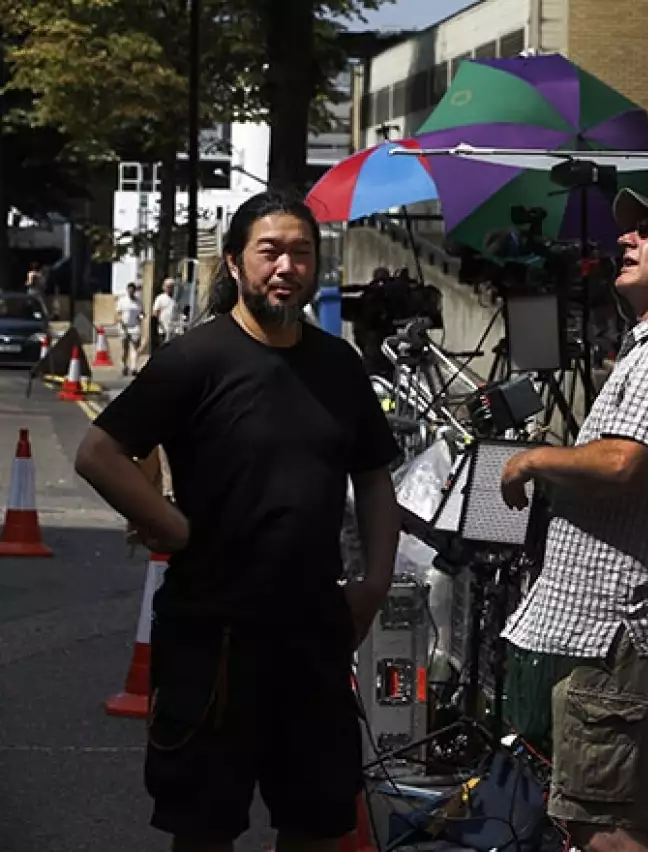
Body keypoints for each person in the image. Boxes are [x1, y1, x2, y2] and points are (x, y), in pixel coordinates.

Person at [74, 190, 402, 852]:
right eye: (270, 251)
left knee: (316, 821)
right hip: (212, 636)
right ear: (235, 261)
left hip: (313, 633)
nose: (287, 266)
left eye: (301, 253)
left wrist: (374, 582)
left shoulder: (339, 365)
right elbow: (98, 451)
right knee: (203, 826)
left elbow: (373, 477)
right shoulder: (196, 360)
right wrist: (170, 526)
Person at [499, 189, 648, 852]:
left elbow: (622, 464)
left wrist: (533, 460)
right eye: (629, 231)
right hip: (633, 630)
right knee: (630, 816)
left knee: (606, 825)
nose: (627, 240)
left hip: (628, 630)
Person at [115, 281, 144, 375]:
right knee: (125, 348)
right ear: (127, 290)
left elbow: (142, 313)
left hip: (135, 327)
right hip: (124, 327)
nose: (131, 292)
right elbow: (118, 314)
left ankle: (134, 367)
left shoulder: (138, 302)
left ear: (135, 291)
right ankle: (124, 365)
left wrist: (141, 318)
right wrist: (121, 321)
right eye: (129, 290)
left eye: (133, 290)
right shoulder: (122, 300)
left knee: (135, 347)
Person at [152, 277, 180, 347]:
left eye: (171, 287)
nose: (169, 289)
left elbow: (178, 313)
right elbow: (155, 313)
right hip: (163, 330)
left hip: (173, 330)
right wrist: (160, 325)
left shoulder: (175, 300)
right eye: (168, 287)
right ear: (164, 287)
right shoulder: (160, 298)